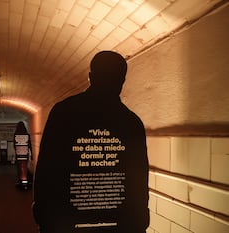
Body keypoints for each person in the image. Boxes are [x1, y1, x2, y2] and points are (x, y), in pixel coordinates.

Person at [33, 51, 149, 233]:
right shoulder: (131, 122)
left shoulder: (64, 112)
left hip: (66, 222)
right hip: (119, 224)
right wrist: (139, 219)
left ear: (90, 77)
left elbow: (47, 167)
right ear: (122, 80)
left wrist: (43, 213)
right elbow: (138, 177)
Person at [13, 121, 33, 188]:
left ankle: (20, 180)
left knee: (19, 167)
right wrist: (32, 154)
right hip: (25, 153)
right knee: (24, 166)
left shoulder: (16, 134)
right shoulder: (27, 135)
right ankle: (25, 179)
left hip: (19, 154)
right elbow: (29, 145)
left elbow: (14, 145)